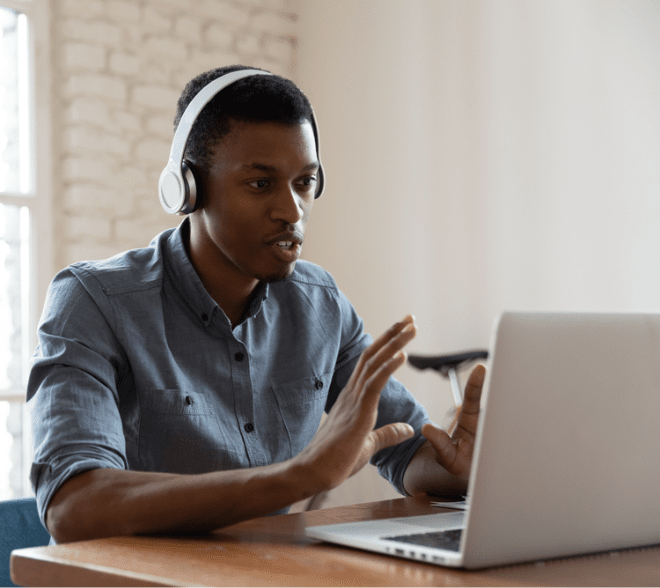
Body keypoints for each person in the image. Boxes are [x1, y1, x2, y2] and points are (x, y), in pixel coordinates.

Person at [27, 65, 485, 544]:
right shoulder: (93, 301)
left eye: (304, 183)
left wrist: (456, 469)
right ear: (187, 187)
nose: (292, 211)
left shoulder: (321, 305)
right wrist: (298, 477)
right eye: (261, 184)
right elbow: (74, 507)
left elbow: (404, 451)